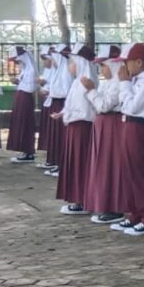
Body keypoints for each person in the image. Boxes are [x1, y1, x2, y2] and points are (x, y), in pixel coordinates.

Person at [110, 43, 144, 236]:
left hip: (139, 126)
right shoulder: (135, 80)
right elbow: (125, 105)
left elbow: (131, 106)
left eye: (127, 62)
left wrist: (124, 84)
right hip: (129, 124)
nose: (124, 67)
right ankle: (135, 213)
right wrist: (125, 84)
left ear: (139, 62)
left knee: (140, 172)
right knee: (128, 171)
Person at [84, 45, 126, 226]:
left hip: (113, 127)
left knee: (112, 165)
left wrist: (91, 91)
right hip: (103, 126)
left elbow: (104, 105)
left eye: (104, 65)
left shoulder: (118, 83)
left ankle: (115, 207)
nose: (101, 70)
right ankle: (104, 204)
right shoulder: (107, 83)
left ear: (113, 65)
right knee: (102, 165)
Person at [55, 44, 97, 215]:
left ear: (80, 62)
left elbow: (86, 108)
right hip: (74, 126)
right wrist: (64, 113)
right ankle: (77, 198)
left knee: (81, 163)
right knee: (76, 163)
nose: (69, 65)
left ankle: (83, 199)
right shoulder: (77, 81)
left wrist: (70, 114)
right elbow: (73, 104)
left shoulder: (87, 81)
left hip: (82, 127)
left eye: (72, 61)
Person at [43, 45, 74, 177]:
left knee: (61, 136)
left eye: (54, 59)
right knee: (56, 136)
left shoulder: (65, 72)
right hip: (56, 103)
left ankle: (62, 164)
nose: (52, 62)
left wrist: (51, 92)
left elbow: (66, 92)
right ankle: (57, 162)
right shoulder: (58, 71)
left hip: (62, 104)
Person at [7, 46, 39, 163]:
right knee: (21, 124)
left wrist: (19, 82)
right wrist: (18, 81)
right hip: (21, 98)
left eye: (17, 60)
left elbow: (31, 87)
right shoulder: (25, 70)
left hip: (25, 99)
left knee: (26, 124)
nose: (16, 63)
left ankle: (28, 152)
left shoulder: (31, 70)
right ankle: (25, 150)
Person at [35, 46, 55, 167]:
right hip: (47, 101)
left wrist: (46, 89)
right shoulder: (47, 70)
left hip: (53, 102)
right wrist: (43, 85)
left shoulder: (58, 70)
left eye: (45, 59)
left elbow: (59, 87)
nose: (44, 62)